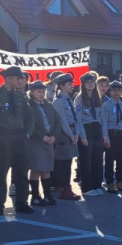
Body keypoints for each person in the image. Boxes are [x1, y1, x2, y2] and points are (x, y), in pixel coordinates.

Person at [0, 66, 34, 215]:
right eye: (17, 78)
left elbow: (30, 115)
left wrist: (28, 132)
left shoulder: (20, 96)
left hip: (20, 135)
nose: (20, 81)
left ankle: (22, 203)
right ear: (8, 79)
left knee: (22, 171)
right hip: (3, 135)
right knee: (1, 172)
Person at [25, 80, 61, 207]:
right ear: (32, 92)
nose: (41, 94)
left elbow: (57, 120)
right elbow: (28, 124)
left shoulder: (48, 104)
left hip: (49, 139)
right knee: (36, 169)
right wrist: (41, 136)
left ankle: (47, 195)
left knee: (46, 169)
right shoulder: (28, 105)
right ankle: (35, 196)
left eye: (43, 91)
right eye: (38, 91)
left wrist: (54, 135)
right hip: (36, 141)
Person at [51, 73, 84, 201]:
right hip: (64, 134)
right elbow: (62, 121)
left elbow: (75, 118)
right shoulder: (58, 101)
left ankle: (66, 187)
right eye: (69, 84)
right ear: (61, 86)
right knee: (63, 162)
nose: (72, 86)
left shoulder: (69, 99)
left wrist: (76, 133)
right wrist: (71, 135)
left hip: (72, 132)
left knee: (68, 161)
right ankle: (64, 189)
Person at [75, 71, 105, 196]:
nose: (91, 84)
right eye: (88, 82)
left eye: (92, 82)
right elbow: (78, 119)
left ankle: (97, 184)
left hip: (97, 128)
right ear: (83, 84)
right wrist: (83, 136)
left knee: (97, 159)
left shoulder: (97, 97)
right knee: (86, 159)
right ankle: (87, 187)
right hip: (86, 128)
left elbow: (102, 118)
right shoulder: (79, 98)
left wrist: (104, 135)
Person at [102, 80, 122, 191]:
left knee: (121, 159)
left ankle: (120, 181)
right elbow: (104, 122)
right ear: (110, 92)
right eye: (114, 90)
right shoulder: (106, 104)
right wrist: (105, 137)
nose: (116, 93)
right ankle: (110, 182)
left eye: (118, 90)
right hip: (111, 134)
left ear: (121, 91)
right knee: (109, 159)